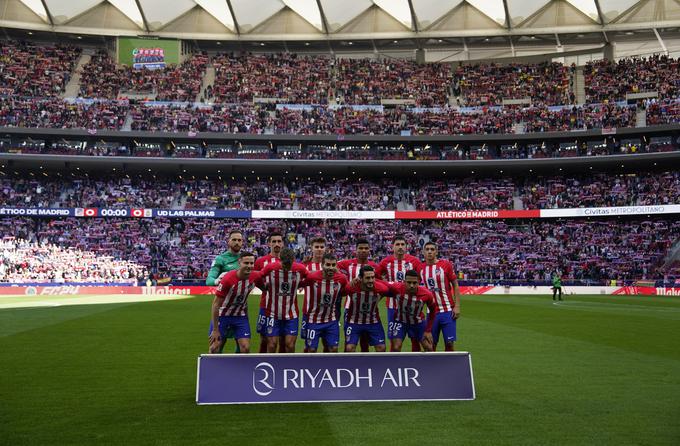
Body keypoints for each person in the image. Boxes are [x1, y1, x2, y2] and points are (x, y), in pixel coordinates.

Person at [209, 252, 262, 354]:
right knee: (214, 349)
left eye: (251, 263)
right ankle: (217, 369)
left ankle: (238, 369)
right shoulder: (228, 279)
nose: (249, 266)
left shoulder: (255, 276)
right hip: (222, 316)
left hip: (240, 316)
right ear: (239, 262)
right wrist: (215, 330)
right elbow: (215, 304)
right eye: (246, 263)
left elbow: (265, 287)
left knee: (245, 348)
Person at [257, 248, 308, 353]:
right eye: (285, 264)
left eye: (289, 264)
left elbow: (311, 278)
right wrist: (263, 287)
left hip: (291, 315)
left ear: (294, 260)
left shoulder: (300, 269)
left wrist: (300, 284)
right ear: (280, 259)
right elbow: (257, 276)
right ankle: (272, 367)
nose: (287, 267)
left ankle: (288, 367)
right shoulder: (271, 267)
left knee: (289, 345)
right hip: (272, 313)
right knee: (271, 344)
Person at [377, 235, 423, 351]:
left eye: (402, 244)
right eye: (397, 244)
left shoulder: (414, 261)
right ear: (392, 247)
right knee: (395, 342)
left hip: (412, 306)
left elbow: (420, 281)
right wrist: (387, 285)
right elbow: (376, 278)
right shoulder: (385, 262)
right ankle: (394, 365)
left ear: (406, 246)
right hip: (393, 308)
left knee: (415, 339)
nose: (400, 247)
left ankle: (415, 363)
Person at [299, 254, 348, 353]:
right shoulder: (312, 277)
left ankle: (330, 368)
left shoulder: (342, 279)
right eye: (328, 265)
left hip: (331, 320)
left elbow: (345, 291)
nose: (331, 268)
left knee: (333, 349)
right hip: (313, 319)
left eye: (333, 265)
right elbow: (299, 284)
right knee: (311, 349)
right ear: (322, 265)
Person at [337, 238, 378, 353]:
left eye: (366, 248)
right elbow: (333, 267)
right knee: (349, 343)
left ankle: (364, 368)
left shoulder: (375, 266)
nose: (363, 250)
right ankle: (349, 367)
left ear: (370, 250)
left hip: (368, 310)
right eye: (360, 248)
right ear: (356, 250)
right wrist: (346, 282)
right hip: (350, 308)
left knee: (365, 343)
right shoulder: (347, 264)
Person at [206, 229, 244, 353]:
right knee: (216, 348)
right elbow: (209, 280)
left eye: (239, 240)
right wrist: (218, 280)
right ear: (228, 241)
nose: (237, 242)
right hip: (222, 310)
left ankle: (237, 371)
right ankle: (214, 371)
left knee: (244, 348)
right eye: (234, 240)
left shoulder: (246, 259)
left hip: (240, 310)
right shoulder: (220, 259)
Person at [420, 241, 460, 351]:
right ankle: (433, 367)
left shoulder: (445, 265)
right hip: (431, 312)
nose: (429, 252)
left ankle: (449, 367)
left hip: (447, 310)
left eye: (432, 249)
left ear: (436, 252)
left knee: (449, 343)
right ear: (423, 252)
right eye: (427, 249)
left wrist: (457, 306)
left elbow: (455, 285)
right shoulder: (421, 268)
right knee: (431, 344)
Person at [387, 270, 436, 352]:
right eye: (409, 282)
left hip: (418, 322)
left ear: (419, 282)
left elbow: (433, 311)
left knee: (429, 347)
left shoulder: (427, 294)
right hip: (399, 321)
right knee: (395, 347)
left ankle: (429, 365)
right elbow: (381, 283)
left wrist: (428, 330)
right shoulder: (397, 287)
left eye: (414, 283)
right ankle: (394, 364)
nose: (412, 285)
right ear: (404, 281)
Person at [344, 265, 390, 353]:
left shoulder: (382, 289)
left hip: (373, 322)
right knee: (350, 348)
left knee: (381, 348)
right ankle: (352, 366)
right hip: (354, 321)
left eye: (373, 277)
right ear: (360, 278)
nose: (371, 280)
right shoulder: (351, 288)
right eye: (368, 278)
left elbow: (386, 291)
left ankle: (378, 366)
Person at [254, 231, 283, 353]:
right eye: (274, 241)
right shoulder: (261, 262)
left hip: (284, 308)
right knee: (264, 339)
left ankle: (282, 367)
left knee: (283, 340)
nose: (276, 244)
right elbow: (254, 278)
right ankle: (260, 362)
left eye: (279, 241)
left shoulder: (288, 261)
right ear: (269, 244)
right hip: (265, 306)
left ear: (282, 244)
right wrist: (263, 288)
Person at [302, 237, 327, 352]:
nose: (319, 249)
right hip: (309, 312)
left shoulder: (331, 266)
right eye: (316, 247)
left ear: (325, 249)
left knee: (328, 345)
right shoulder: (304, 266)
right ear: (311, 248)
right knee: (309, 346)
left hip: (327, 314)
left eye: (322, 247)